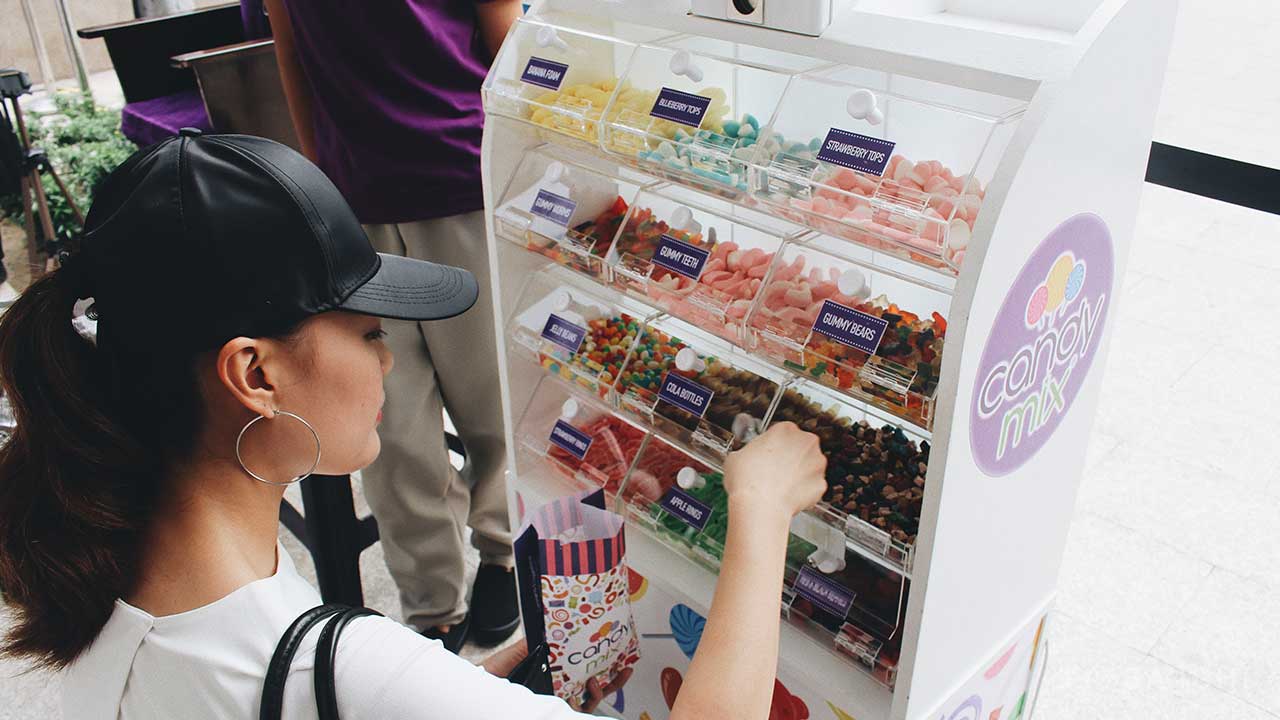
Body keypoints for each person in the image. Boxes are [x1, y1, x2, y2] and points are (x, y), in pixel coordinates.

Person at [0, 133, 828, 719]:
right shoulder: (346, 669)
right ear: (254, 375)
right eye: (368, 334)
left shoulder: (100, 583)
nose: (390, 362)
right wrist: (759, 508)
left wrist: (464, 688)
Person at [261, 0, 524, 652]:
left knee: (492, 398)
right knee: (387, 422)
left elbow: (512, 48)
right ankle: (430, 597)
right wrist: (319, 180)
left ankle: (504, 554)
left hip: (466, 175)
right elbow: (292, 52)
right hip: (356, 197)